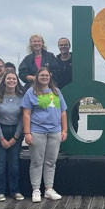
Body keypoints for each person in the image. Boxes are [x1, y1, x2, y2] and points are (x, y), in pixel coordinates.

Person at [22, 67, 68, 202]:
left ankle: (49, 189)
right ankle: (36, 189)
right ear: (37, 77)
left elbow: (63, 111)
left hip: (55, 131)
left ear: (50, 77)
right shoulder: (31, 92)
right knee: (37, 161)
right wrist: (27, 132)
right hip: (37, 131)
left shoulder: (56, 91)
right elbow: (26, 113)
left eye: (46, 75)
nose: (44, 78)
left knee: (51, 162)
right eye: (41, 75)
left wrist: (64, 130)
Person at [0, 72, 25, 202]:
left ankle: (15, 190)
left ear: (17, 81)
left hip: (16, 131)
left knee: (14, 163)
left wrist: (16, 137)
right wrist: (1, 138)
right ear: (4, 81)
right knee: (0, 163)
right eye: (8, 78)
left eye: (13, 78)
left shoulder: (22, 96)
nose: (11, 80)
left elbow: (23, 118)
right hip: (0, 130)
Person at [53, 37, 79, 133]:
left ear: (69, 46)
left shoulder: (76, 59)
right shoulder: (55, 61)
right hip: (58, 95)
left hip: (74, 95)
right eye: (61, 45)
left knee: (74, 119)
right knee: (57, 119)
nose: (63, 46)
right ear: (58, 47)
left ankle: (74, 144)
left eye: (65, 44)